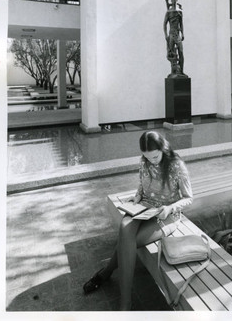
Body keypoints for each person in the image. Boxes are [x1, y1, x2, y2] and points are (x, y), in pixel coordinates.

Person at [82, 130, 193, 310]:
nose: (151, 161)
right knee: (125, 227)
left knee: (128, 242)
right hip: (144, 206)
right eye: (147, 157)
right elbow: (142, 184)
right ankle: (111, 281)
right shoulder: (144, 161)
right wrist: (137, 197)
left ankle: (118, 293)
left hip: (166, 214)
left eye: (155, 157)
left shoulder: (176, 165)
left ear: (163, 149)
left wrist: (170, 208)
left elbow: (188, 198)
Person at [163, 0, 186, 76]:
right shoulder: (168, 12)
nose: (174, 1)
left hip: (177, 34)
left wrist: (183, 33)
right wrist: (166, 35)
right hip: (171, 34)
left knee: (181, 51)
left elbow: (181, 24)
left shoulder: (179, 12)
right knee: (171, 53)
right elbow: (164, 24)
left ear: (176, 0)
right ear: (171, 1)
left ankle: (182, 70)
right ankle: (173, 71)